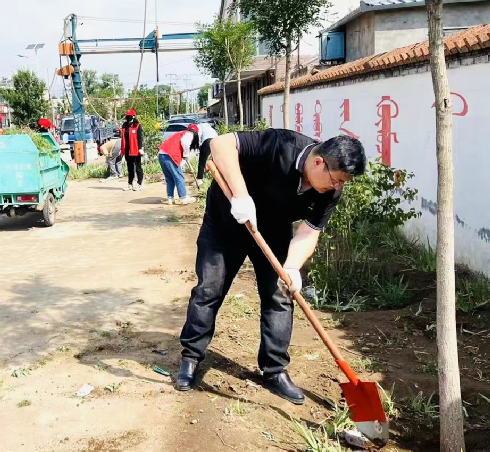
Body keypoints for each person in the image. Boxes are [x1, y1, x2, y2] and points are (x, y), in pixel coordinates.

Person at [177, 129, 366, 405]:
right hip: (227, 221)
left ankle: (274, 370)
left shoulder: (330, 191)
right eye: (336, 180)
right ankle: (191, 357)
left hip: (274, 230)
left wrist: (291, 267)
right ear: (318, 163)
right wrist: (242, 197)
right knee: (209, 288)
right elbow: (220, 144)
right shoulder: (279, 144)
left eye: (342, 183)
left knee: (280, 296)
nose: (337, 187)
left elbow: (309, 232)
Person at [157, 124, 199, 205]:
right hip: (170, 155)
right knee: (179, 177)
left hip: (162, 154)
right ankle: (183, 197)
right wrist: (186, 154)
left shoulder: (180, 133)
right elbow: (185, 143)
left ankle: (170, 198)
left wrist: (184, 158)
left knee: (170, 178)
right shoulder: (189, 134)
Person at [120, 109, 144, 191]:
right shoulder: (124, 125)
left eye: (129, 115)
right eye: (127, 115)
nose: (127, 117)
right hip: (127, 149)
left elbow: (139, 138)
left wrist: (140, 148)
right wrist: (122, 149)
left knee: (138, 167)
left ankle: (139, 183)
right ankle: (130, 184)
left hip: (136, 149)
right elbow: (123, 138)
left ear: (133, 116)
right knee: (130, 168)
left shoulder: (137, 126)